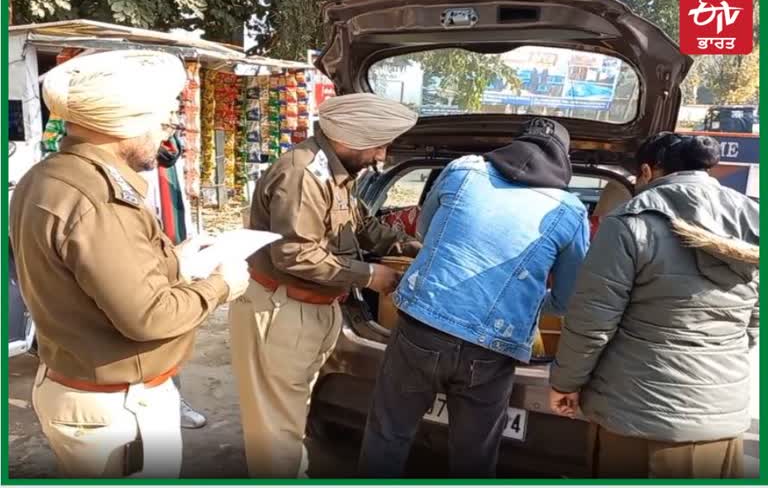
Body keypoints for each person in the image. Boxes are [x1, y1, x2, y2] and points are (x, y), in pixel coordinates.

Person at [9, 50, 250, 478]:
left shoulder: (47, 176)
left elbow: (85, 275)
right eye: (160, 124)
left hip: (84, 392)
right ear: (124, 125)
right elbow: (149, 317)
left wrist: (174, 260)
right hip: (116, 410)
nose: (164, 137)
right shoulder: (98, 199)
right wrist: (221, 286)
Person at [359, 117, 590, 477]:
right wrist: (524, 304)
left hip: (422, 327)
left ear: (515, 144)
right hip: (492, 349)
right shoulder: (570, 211)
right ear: (564, 159)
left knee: (388, 435)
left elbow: (423, 229)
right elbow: (568, 297)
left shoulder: (464, 169)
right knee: (475, 458)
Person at [229, 93, 422, 478]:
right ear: (349, 138)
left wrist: (412, 247)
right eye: (378, 145)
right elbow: (296, 255)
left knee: (290, 418)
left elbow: (361, 227)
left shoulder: (336, 173)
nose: (381, 157)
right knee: (275, 432)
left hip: (314, 310)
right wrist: (371, 276)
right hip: (282, 311)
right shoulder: (303, 174)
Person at [549, 132, 759, 478]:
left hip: (634, 419)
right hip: (719, 419)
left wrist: (565, 383)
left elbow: (592, 322)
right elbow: (754, 319)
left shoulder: (632, 222)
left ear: (647, 171)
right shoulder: (752, 219)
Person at [140, 134, 209, 429]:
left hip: (170, 242)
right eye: (165, 113)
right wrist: (218, 289)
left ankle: (169, 395)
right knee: (155, 321)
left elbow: (174, 200)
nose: (172, 120)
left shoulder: (168, 150)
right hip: (144, 251)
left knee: (171, 329)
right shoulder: (133, 153)